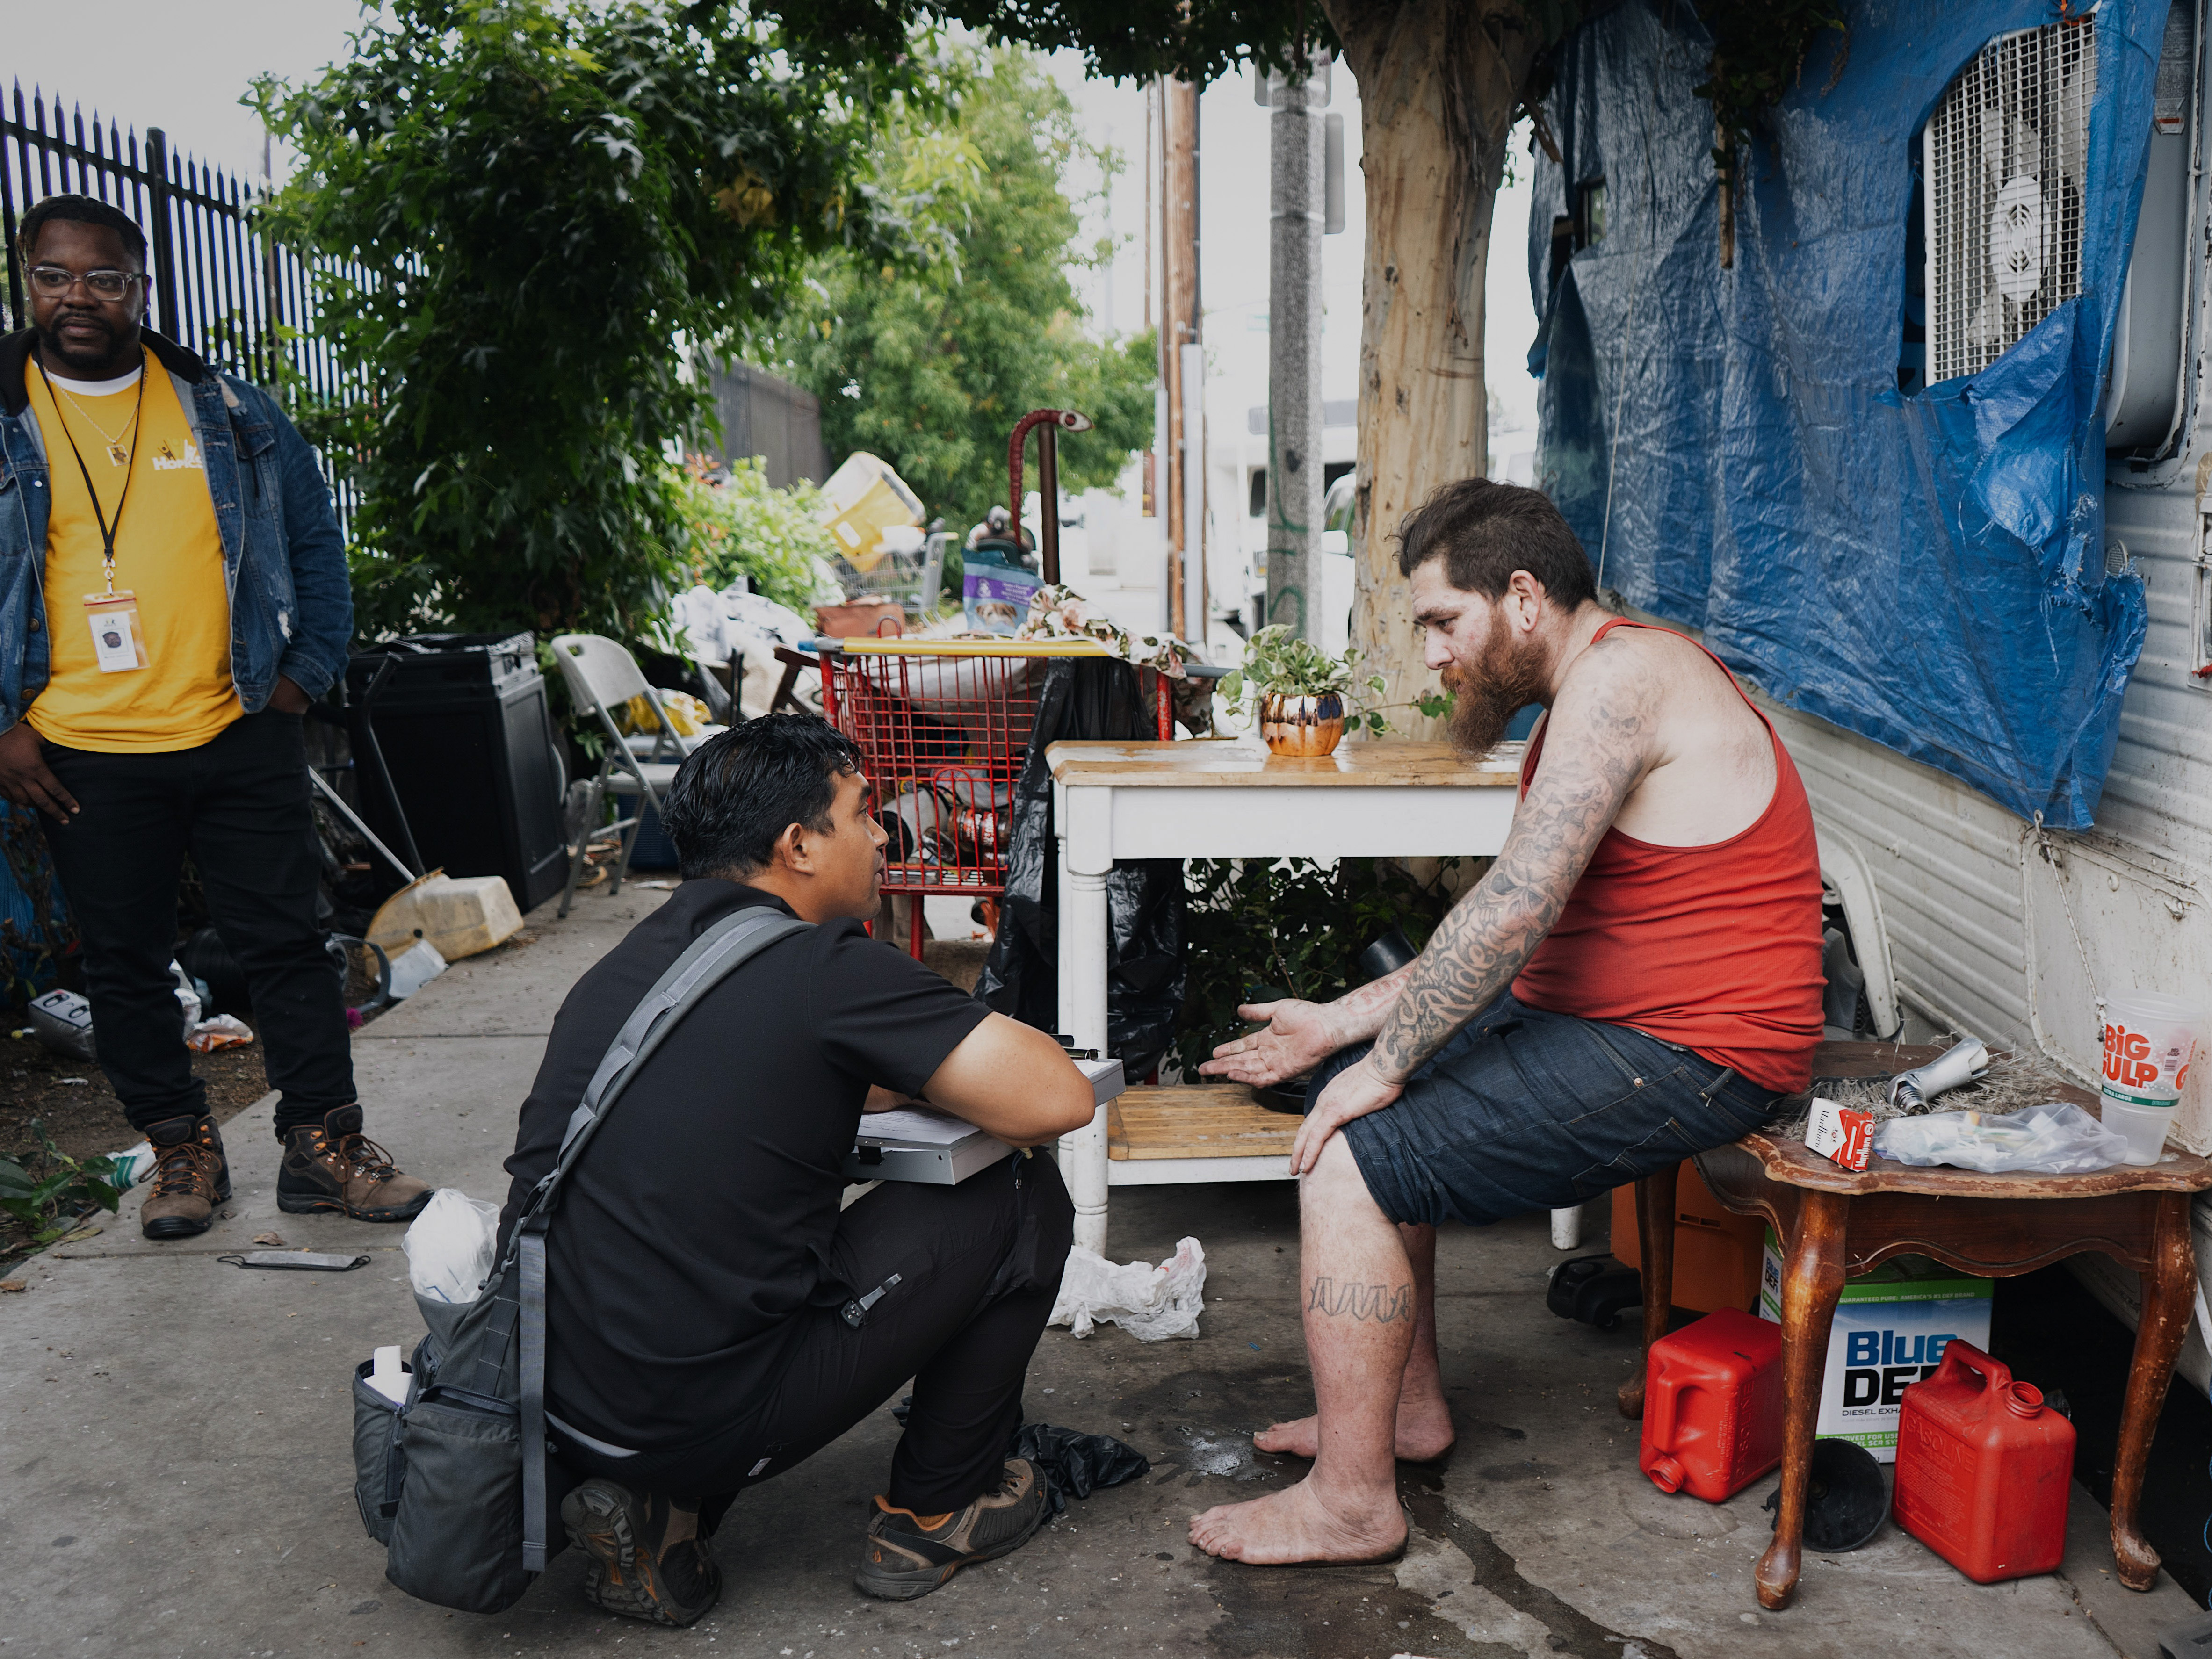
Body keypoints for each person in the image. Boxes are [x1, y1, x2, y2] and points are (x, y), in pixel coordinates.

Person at [1191, 478, 1823, 1565]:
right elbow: (1504, 926)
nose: (1432, 655)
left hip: (1700, 1051)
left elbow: (1514, 908)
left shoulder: (1621, 679)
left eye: (1443, 620)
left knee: (1354, 1151)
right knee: (1357, 1088)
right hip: (1625, 1023)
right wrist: (1337, 1026)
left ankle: (1351, 1503)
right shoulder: (1595, 687)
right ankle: (1405, 1411)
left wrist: (1381, 1065)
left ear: (1523, 597)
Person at [498, 713, 1092, 1626]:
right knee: (1017, 1188)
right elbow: (1055, 1097)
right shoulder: (823, 968)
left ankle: (656, 1505)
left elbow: (751, 1087)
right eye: (862, 814)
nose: (882, 834)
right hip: (698, 1416)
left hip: (557, 1396)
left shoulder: (631, 966)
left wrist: (876, 1080)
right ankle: (939, 1506)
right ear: (799, 844)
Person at [0, 194, 429, 1240]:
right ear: (27, 281)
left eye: (105, 277)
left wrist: (303, 675)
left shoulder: (227, 408)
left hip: (237, 722)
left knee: (288, 943)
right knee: (123, 960)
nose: (79, 297)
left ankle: (324, 1148)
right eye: (55, 275)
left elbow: (317, 543)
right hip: (83, 749)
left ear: (142, 287)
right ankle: (182, 1149)